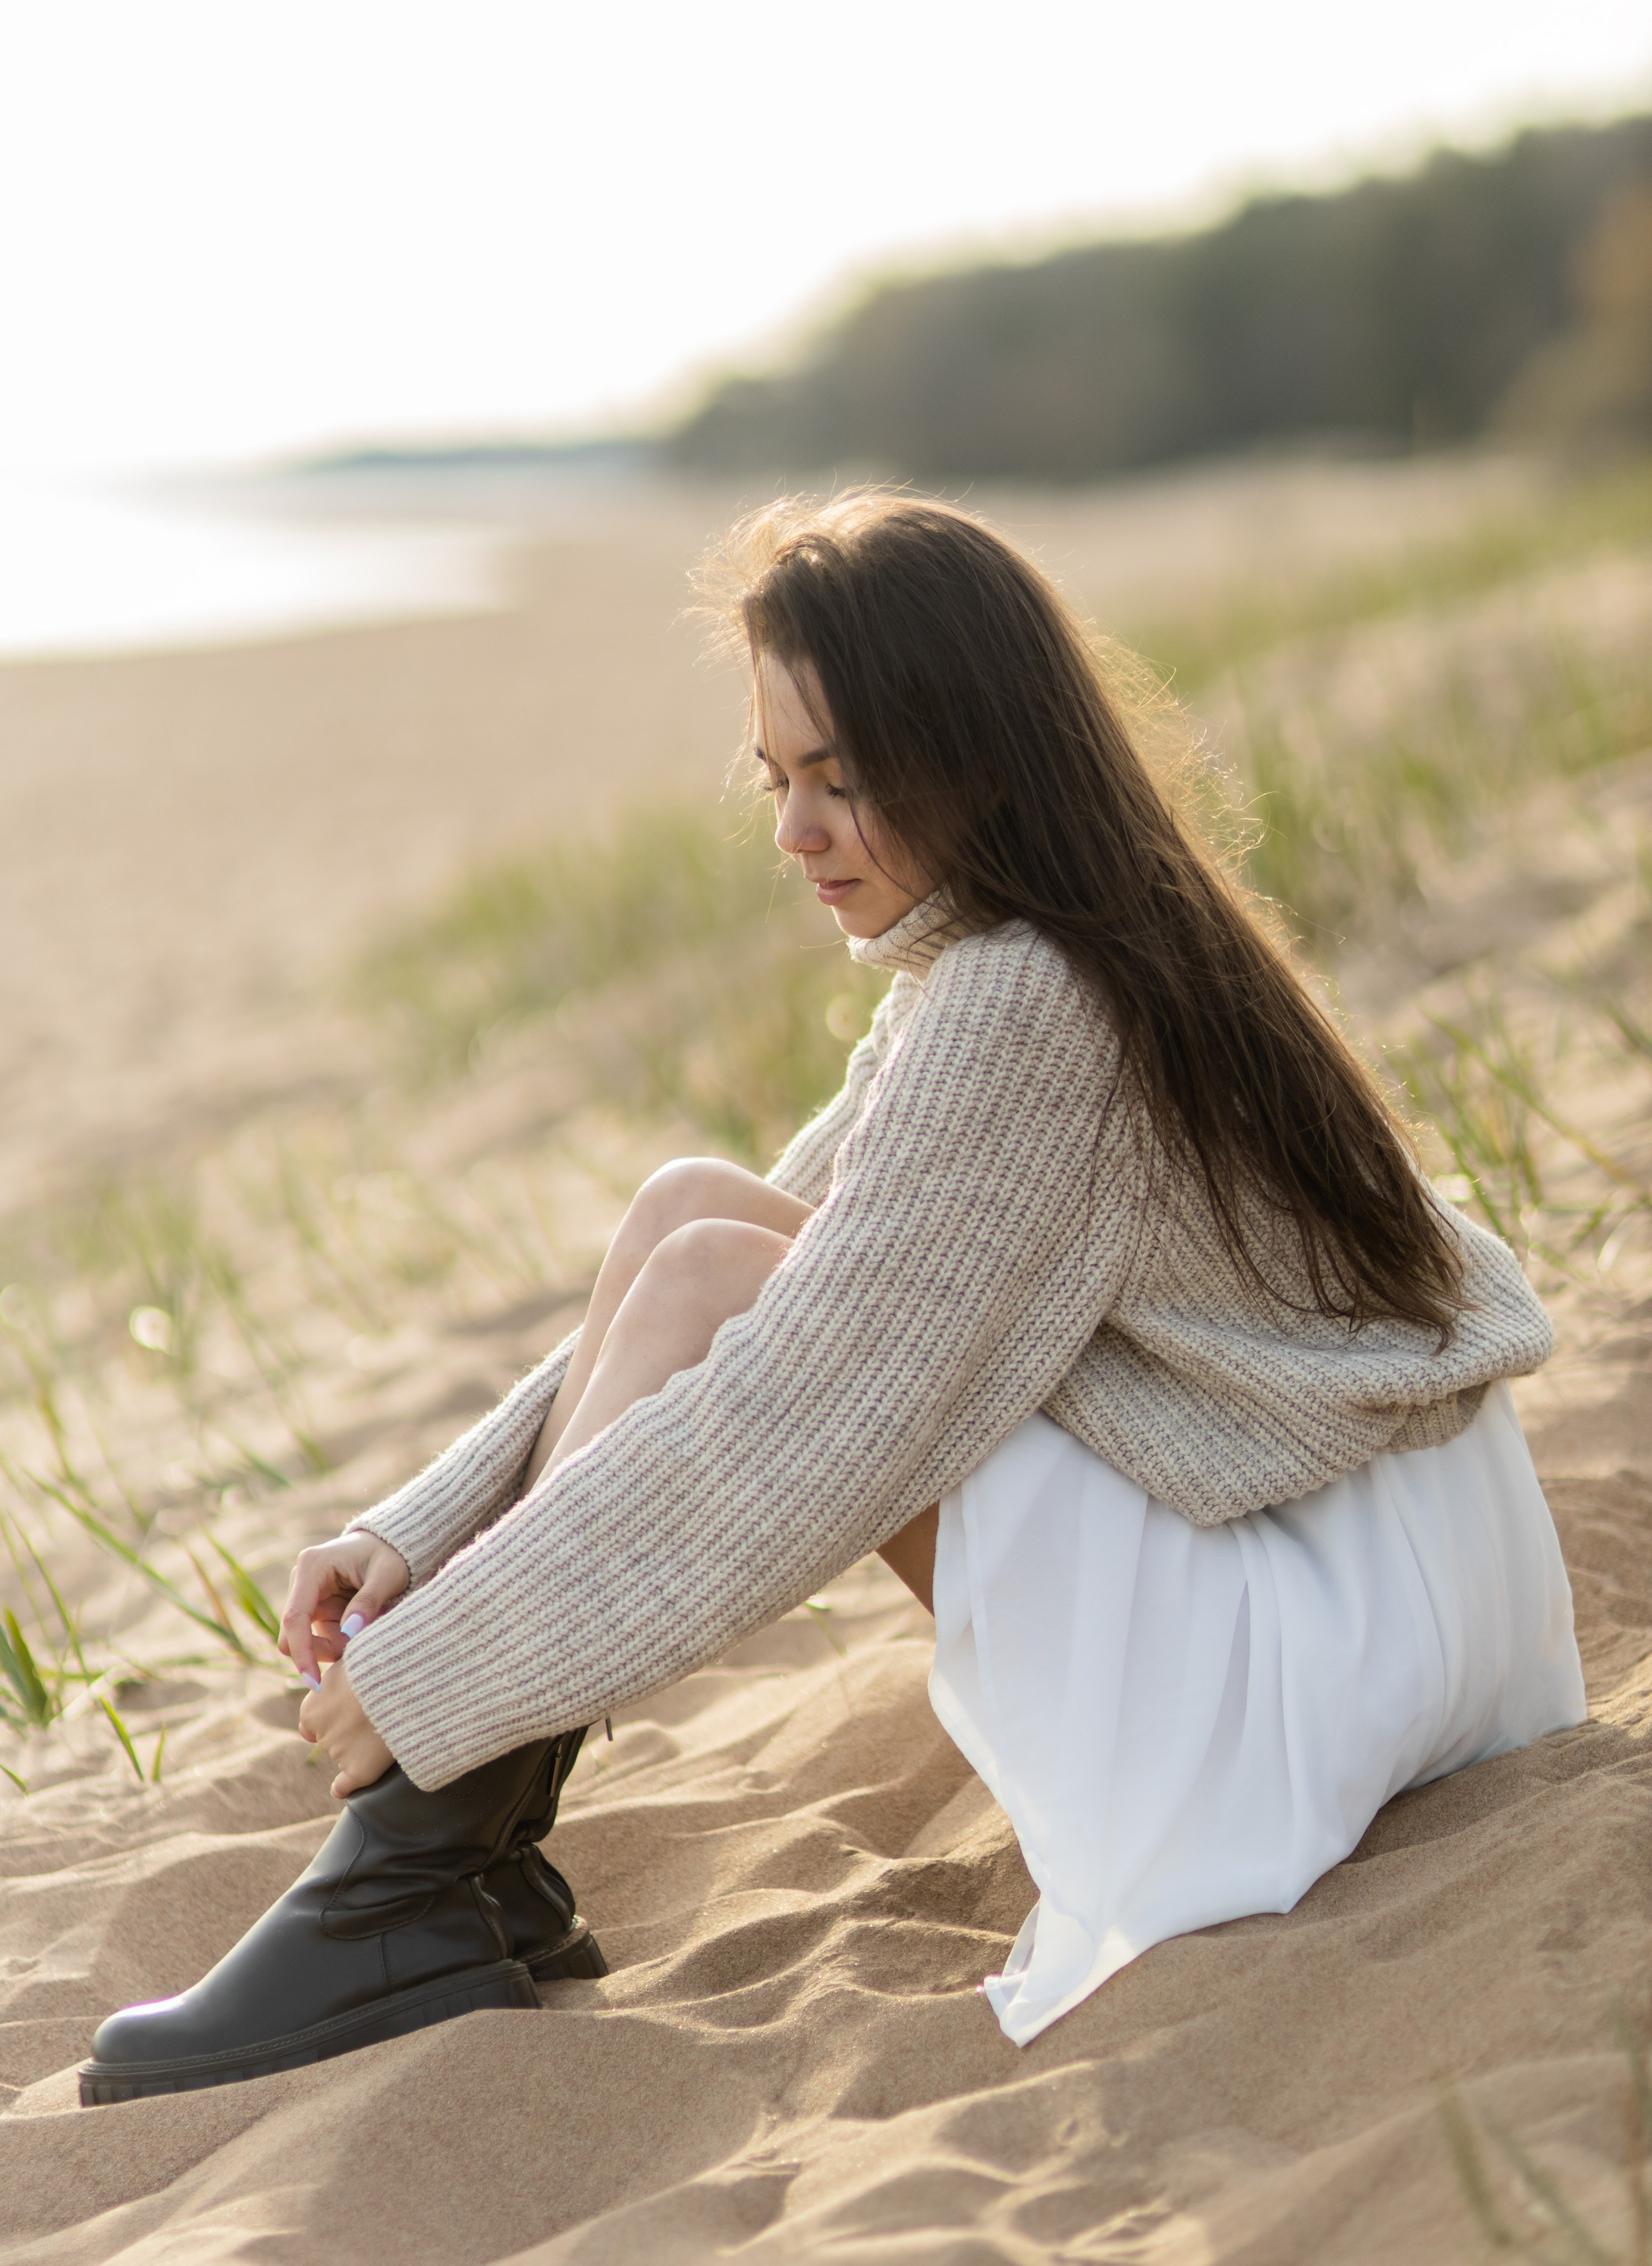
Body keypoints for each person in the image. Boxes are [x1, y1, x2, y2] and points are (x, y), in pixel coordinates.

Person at [78, 492, 1582, 2105]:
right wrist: (421, 1536)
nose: (794, 835)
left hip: (1308, 1694)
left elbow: (796, 1409)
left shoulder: (1020, 1006)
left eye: (842, 782)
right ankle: (456, 1869)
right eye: (776, 781)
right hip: (1420, 1606)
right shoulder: (1054, 943)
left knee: (735, 1276)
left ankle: (409, 1879)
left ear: (980, 759)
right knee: (696, 1213)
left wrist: (434, 1677)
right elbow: (752, 1266)